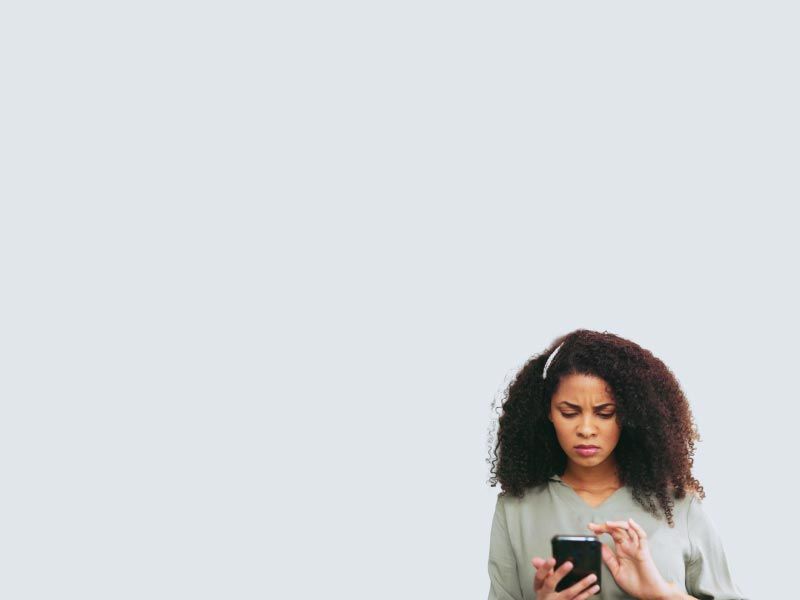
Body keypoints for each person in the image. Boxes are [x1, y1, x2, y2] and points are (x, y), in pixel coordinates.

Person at [486, 329, 747, 600]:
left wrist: (661, 594)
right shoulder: (515, 509)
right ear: (548, 412)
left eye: (605, 413)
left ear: (631, 415)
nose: (586, 429)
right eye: (569, 412)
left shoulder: (679, 506)